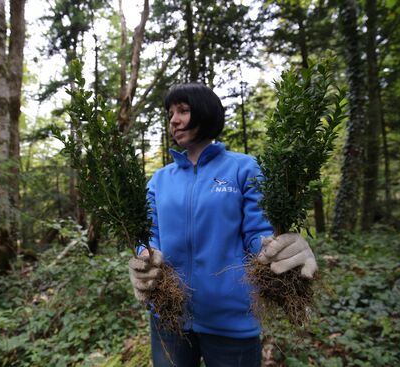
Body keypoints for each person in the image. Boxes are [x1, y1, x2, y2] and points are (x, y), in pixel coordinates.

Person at [128, 83, 317, 367]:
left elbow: (258, 234)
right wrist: (144, 256)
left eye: (183, 111)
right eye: (170, 114)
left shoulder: (245, 169)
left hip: (233, 320)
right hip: (168, 317)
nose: (173, 121)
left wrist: (279, 249)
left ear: (205, 113)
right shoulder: (158, 180)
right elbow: (148, 235)